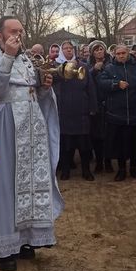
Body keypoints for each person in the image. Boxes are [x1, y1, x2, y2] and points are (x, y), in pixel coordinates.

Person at [0, 16, 64, 271]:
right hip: (5, 129)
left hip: (31, 130)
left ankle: (24, 240)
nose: (18, 35)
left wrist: (44, 87)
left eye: (21, 31)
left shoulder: (26, 59)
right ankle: (2, 248)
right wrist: (8, 57)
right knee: (4, 184)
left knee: (28, 184)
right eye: (13, 31)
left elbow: (34, 93)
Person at [97, 44, 136, 181]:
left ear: (128, 53)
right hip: (117, 114)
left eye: (123, 53)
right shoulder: (109, 68)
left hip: (135, 113)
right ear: (114, 54)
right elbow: (101, 82)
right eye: (118, 53)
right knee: (120, 144)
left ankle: (134, 168)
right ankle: (121, 169)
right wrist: (116, 84)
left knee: (135, 144)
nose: (121, 56)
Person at [54, 41, 97, 181]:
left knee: (84, 145)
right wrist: (62, 69)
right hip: (64, 110)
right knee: (66, 145)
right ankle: (65, 171)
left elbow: (91, 88)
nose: (68, 50)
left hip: (81, 110)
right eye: (65, 48)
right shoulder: (56, 67)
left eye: (70, 48)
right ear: (62, 51)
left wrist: (93, 107)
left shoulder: (82, 66)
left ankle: (86, 171)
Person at [88, 40, 112, 173]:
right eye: (96, 50)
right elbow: (85, 79)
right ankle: (99, 162)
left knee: (109, 135)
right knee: (96, 135)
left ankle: (108, 161)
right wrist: (93, 70)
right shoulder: (88, 65)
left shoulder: (111, 64)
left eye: (101, 49)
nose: (99, 52)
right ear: (92, 53)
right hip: (95, 103)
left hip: (109, 102)